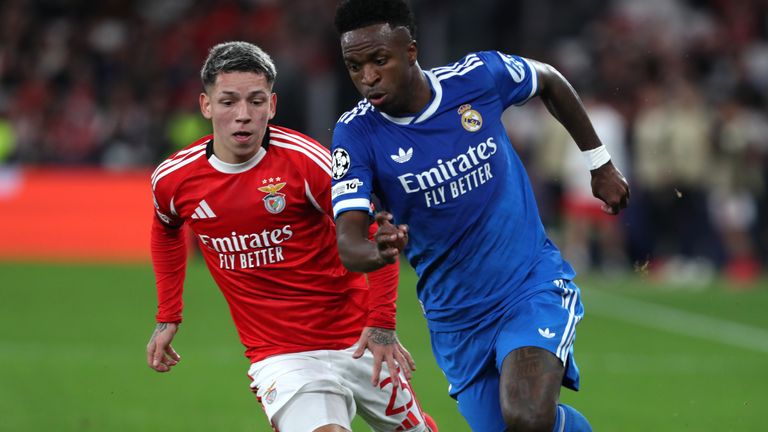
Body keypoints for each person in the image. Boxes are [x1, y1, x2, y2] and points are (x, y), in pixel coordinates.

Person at [330, 1, 630, 431]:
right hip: (456, 318)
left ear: (411, 51)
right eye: (354, 66)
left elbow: (549, 80)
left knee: (526, 415)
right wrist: (376, 249)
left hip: (528, 285)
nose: (368, 77)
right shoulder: (355, 133)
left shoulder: (476, 78)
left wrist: (599, 162)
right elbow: (348, 243)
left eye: (380, 60)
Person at [146, 41, 437, 432]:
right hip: (280, 356)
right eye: (229, 101)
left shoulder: (307, 162)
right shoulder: (174, 179)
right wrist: (168, 316)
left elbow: (374, 238)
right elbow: (165, 229)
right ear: (206, 106)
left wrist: (382, 324)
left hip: (359, 341)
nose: (243, 116)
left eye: (256, 101)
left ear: (273, 105)